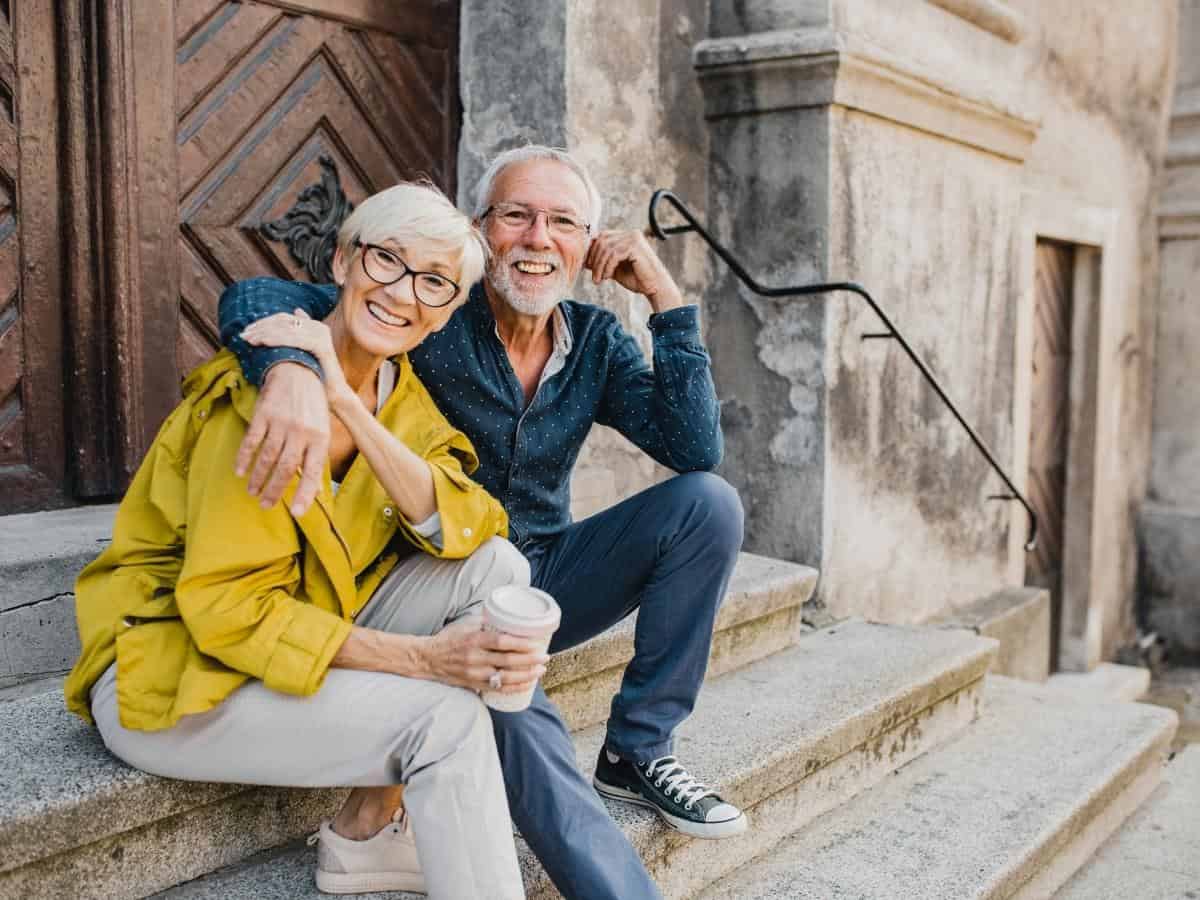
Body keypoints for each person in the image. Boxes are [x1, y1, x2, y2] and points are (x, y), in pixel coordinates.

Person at [219, 145, 747, 900]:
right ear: (479, 230)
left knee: (708, 504)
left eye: (564, 222)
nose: (538, 238)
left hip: (540, 571)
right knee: (513, 703)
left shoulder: (594, 341)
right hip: (428, 579)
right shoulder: (432, 306)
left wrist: (663, 295)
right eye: (517, 216)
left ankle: (637, 750)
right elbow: (255, 295)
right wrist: (291, 372)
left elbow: (694, 446)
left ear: (587, 244)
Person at [64, 182, 540, 900]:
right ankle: (379, 837)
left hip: (286, 634)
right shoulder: (261, 404)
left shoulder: (400, 394)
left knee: (497, 565)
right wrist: (428, 662)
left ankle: (369, 832)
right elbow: (228, 614)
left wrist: (346, 402)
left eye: (434, 283)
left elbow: (478, 523)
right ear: (344, 260)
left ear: (445, 315)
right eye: (387, 260)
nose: (403, 293)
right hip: (174, 673)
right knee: (446, 717)